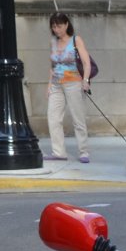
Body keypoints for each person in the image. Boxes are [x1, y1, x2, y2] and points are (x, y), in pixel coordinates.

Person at [45, 13, 92, 163]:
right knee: (53, 118)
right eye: (53, 26)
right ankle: (58, 152)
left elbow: (86, 63)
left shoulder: (76, 40)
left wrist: (85, 80)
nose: (56, 29)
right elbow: (53, 65)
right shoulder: (53, 42)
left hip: (74, 83)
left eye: (59, 26)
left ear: (66, 25)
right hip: (56, 84)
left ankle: (83, 152)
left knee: (78, 118)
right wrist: (49, 84)